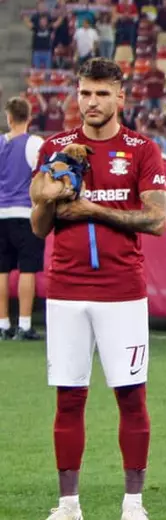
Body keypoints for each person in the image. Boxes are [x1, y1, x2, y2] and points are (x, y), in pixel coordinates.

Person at [29, 57, 166, 520]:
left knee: (131, 397)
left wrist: (91, 208)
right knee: (68, 399)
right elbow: (39, 226)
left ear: (120, 98)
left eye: (101, 94)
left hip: (122, 292)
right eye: (84, 93)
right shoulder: (55, 147)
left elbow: (157, 219)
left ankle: (133, 505)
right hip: (66, 289)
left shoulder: (141, 149)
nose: (91, 102)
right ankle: (68, 506)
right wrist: (48, 198)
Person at [0, 97, 45, 340]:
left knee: (1, 270)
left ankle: (3, 323)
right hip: (25, 213)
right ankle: (25, 325)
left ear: (9, 118)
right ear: (29, 117)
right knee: (28, 269)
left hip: (0, 213)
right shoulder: (34, 143)